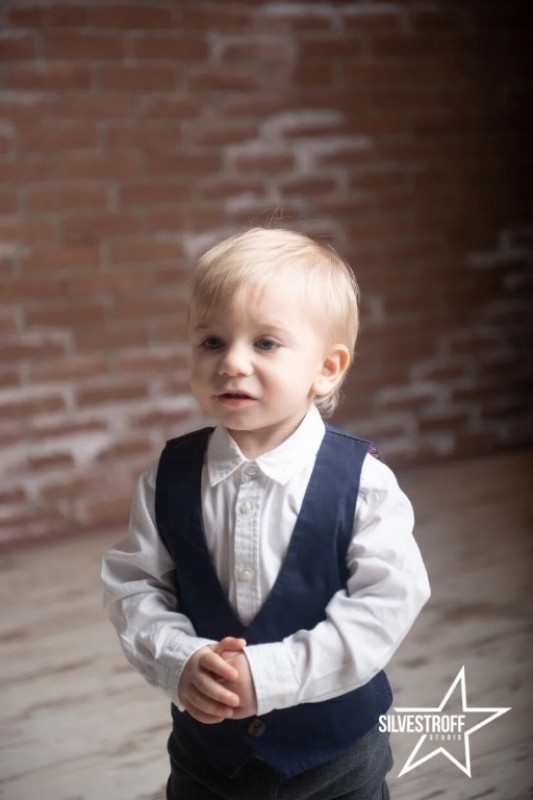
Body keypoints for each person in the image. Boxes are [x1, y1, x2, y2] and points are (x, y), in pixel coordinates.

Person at [101, 227, 431, 799]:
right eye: (212, 341)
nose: (232, 362)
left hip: (336, 759)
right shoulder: (169, 477)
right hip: (207, 761)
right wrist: (180, 658)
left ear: (327, 368)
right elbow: (135, 586)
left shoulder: (363, 483)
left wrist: (272, 675)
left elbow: (386, 602)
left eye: (266, 343)